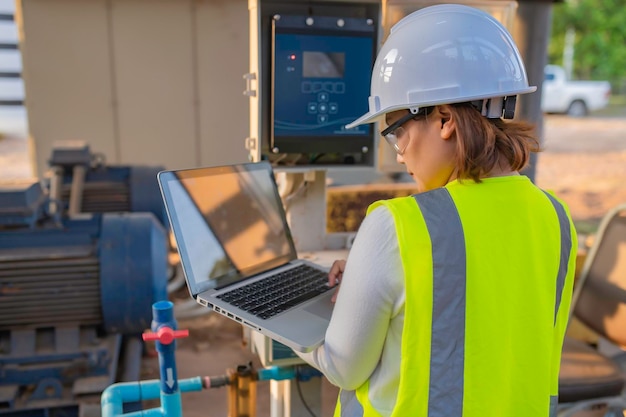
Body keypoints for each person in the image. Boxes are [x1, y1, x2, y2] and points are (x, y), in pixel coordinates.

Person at [294, 4, 578, 417]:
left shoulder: (398, 225)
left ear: (444, 118)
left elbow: (343, 366)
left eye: (397, 133)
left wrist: (286, 327)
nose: (400, 155)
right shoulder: (556, 217)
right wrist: (370, 278)